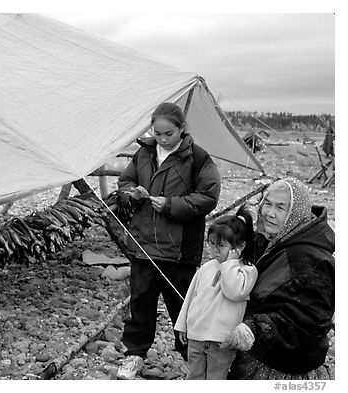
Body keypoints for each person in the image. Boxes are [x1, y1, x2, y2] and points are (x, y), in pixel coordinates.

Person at [115, 102, 221, 380]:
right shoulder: (143, 153)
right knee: (140, 303)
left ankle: (191, 358)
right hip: (143, 246)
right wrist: (132, 195)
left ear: (182, 129)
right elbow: (124, 183)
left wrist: (172, 205)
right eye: (157, 133)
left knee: (183, 306)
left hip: (179, 250)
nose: (162, 139)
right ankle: (135, 355)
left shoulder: (197, 158)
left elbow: (209, 196)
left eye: (168, 134)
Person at [224, 178, 335, 379]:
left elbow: (308, 321)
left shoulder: (308, 258)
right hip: (259, 352)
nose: (269, 213)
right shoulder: (275, 240)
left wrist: (253, 328)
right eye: (267, 203)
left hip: (283, 367)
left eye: (280, 207)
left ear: (296, 213)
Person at [174, 205, 258, 379]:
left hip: (221, 340)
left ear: (240, 246)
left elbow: (234, 292)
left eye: (221, 246)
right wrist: (182, 325)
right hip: (197, 334)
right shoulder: (206, 267)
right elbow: (191, 298)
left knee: (216, 378)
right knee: (194, 375)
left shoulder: (246, 271)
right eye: (211, 244)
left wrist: (230, 264)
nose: (214, 251)